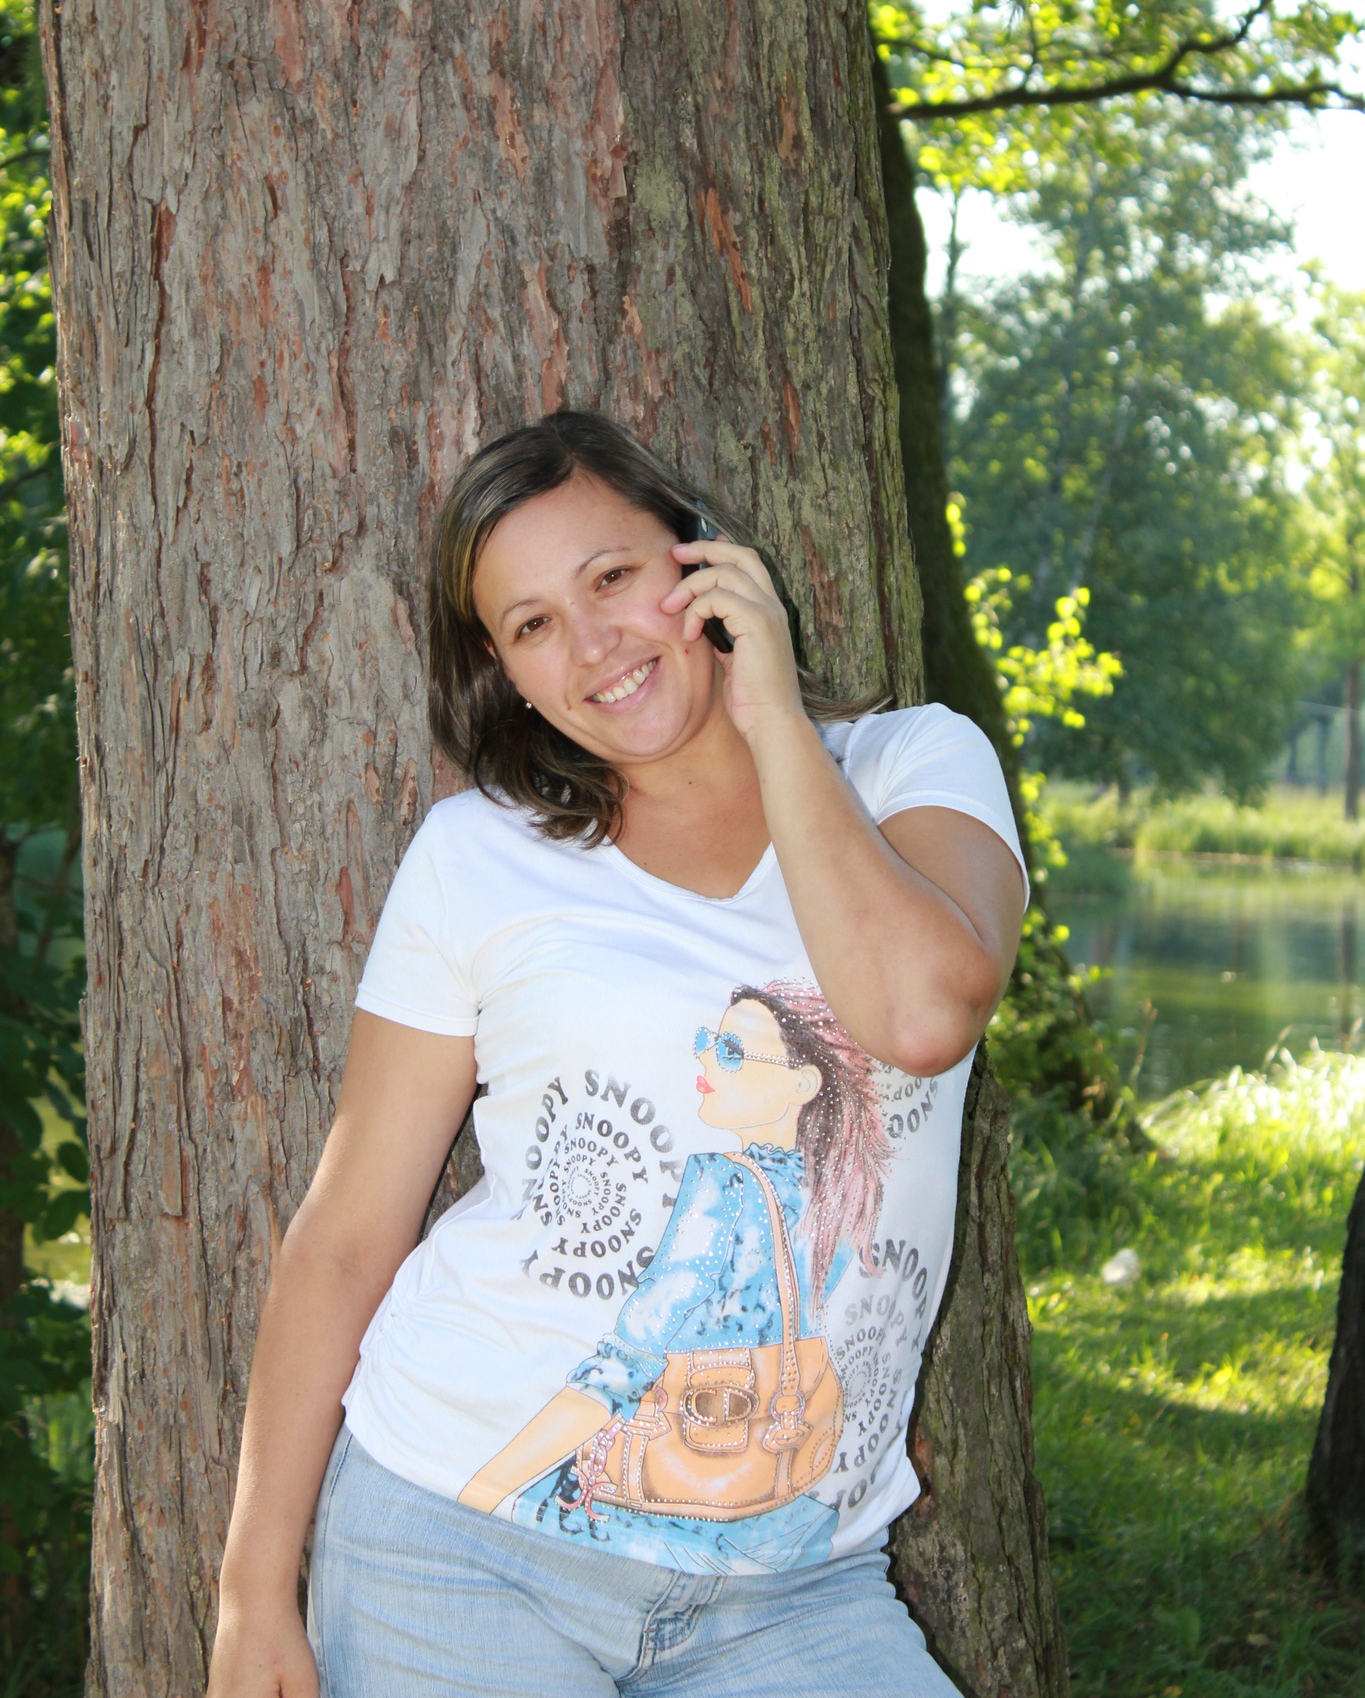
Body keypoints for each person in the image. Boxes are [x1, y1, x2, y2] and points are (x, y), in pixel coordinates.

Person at [207, 409, 1028, 1698]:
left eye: (612, 578)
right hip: (456, 1550)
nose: (592, 646)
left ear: (701, 561)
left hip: (794, 1588)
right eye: (534, 624)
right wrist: (254, 1586)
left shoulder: (910, 767)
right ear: (506, 673)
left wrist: (772, 717)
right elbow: (349, 1233)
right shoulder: (476, 856)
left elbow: (922, 1018)